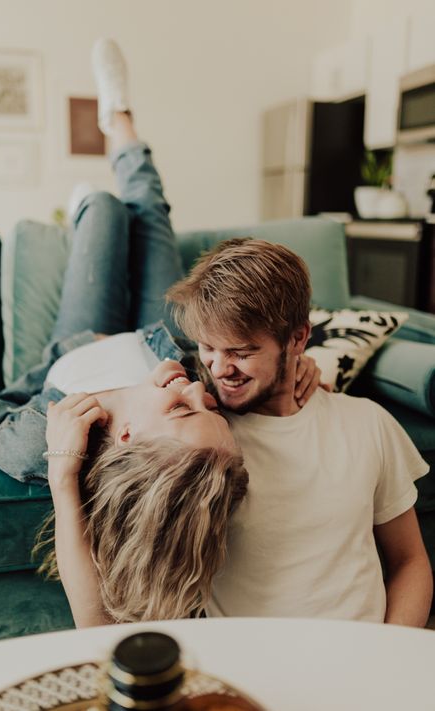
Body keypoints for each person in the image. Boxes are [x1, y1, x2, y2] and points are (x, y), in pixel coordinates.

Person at [0, 39, 320, 627]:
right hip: (158, 333)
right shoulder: (198, 389)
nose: (199, 385)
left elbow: (1, 400)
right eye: (207, 400)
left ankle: (86, 209)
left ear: (128, 436)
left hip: (80, 343)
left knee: (107, 210)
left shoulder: (46, 443)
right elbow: (265, 346)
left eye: (184, 407)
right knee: (149, 209)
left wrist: (63, 479)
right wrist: (302, 365)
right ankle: (120, 118)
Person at [167, 237, 433, 627]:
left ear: (297, 339)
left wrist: (388, 655)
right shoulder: (205, 434)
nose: (219, 368)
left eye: (241, 352)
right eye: (208, 347)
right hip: (251, 671)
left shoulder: (367, 422)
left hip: (365, 659)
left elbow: (410, 561)